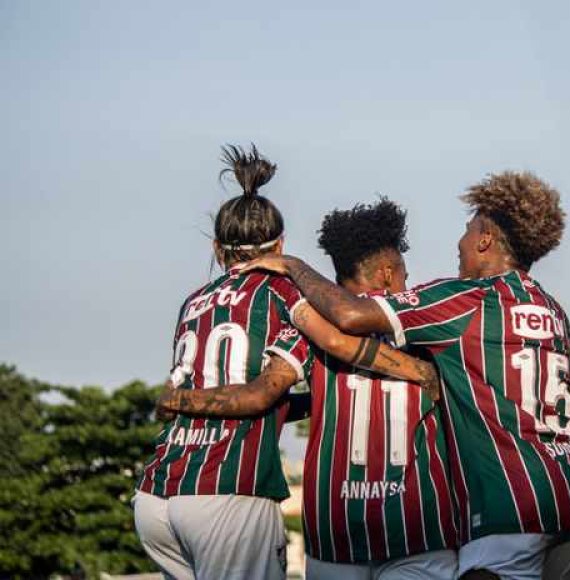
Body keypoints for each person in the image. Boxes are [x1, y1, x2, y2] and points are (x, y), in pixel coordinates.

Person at [244, 171, 570, 579]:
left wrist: (293, 267)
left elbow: (349, 317)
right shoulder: (553, 310)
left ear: (485, 238)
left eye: (468, 231)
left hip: (511, 507)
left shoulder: (465, 299)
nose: (460, 243)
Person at [135, 147, 437, 580]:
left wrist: (316, 400)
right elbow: (271, 386)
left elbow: (235, 387)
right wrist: (417, 371)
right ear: (279, 245)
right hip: (226, 489)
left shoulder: (194, 302)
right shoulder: (283, 294)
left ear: (218, 249)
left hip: (156, 498)